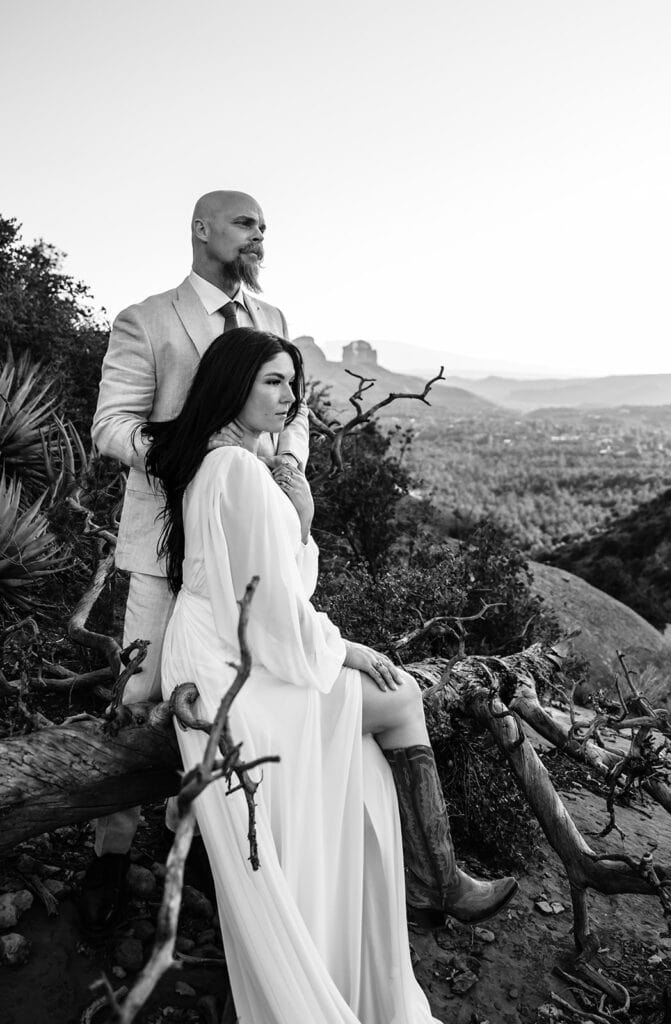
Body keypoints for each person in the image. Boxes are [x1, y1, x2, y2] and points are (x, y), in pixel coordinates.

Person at [146, 327, 517, 1024]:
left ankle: (418, 879)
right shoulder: (241, 472)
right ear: (232, 385)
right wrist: (340, 647)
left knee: (373, 757)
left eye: (292, 383)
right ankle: (435, 879)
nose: (288, 398)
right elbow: (273, 604)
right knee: (401, 693)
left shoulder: (214, 459)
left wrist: (301, 517)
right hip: (234, 663)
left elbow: (260, 591)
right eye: (272, 382)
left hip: (213, 650)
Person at [81, 191, 308, 933]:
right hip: (162, 542)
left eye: (263, 228)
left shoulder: (271, 322)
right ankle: (111, 853)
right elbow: (111, 423)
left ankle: (221, 847)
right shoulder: (146, 319)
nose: (257, 237)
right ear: (202, 229)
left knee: (244, 687)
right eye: (245, 223)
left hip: (248, 542)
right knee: (139, 690)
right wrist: (187, 457)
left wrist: (284, 473)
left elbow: (292, 416)